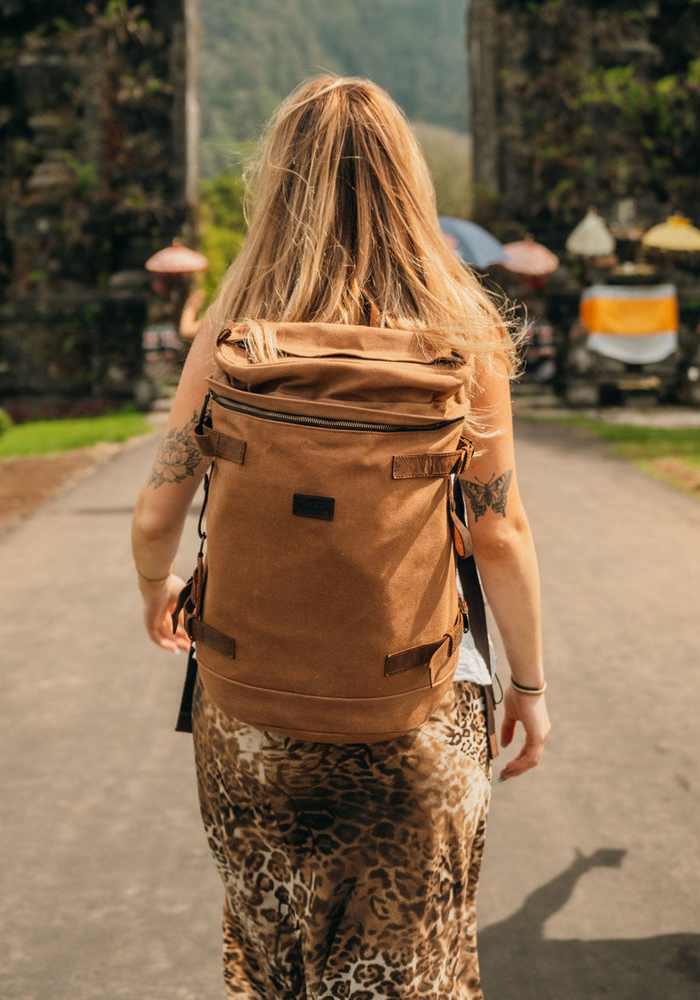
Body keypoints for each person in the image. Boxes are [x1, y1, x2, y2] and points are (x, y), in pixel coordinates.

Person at [131, 75, 550, 1000]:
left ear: (278, 184)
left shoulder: (234, 333)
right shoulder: (461, 334)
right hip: (418, 716)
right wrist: (528, 686)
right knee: (416, 971)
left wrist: (156, 587)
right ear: (409, 185)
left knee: (277, 962)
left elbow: (161, 509)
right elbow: (499, 533)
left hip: (250, 721)